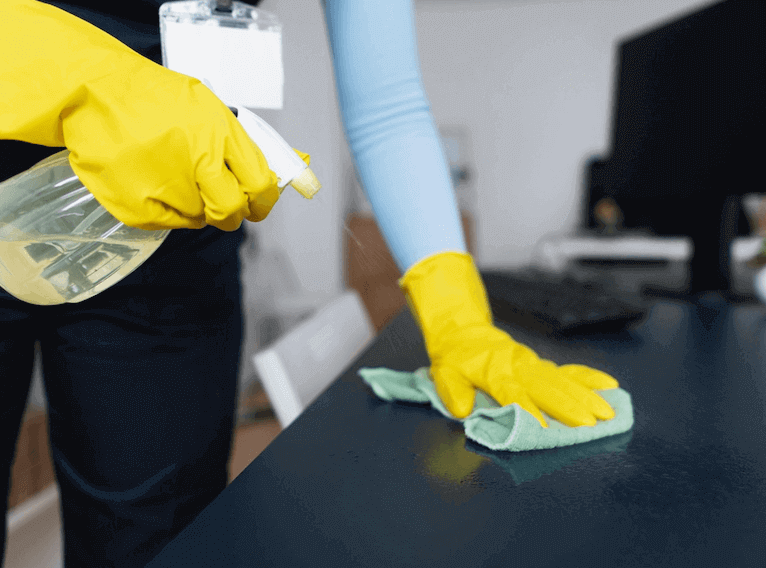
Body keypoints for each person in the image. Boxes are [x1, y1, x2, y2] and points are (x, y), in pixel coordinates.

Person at [0, 0, 619, 566]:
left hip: (174, 223)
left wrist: (458, 315)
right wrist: (80, 77)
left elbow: (388, 104)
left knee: (155, 543)